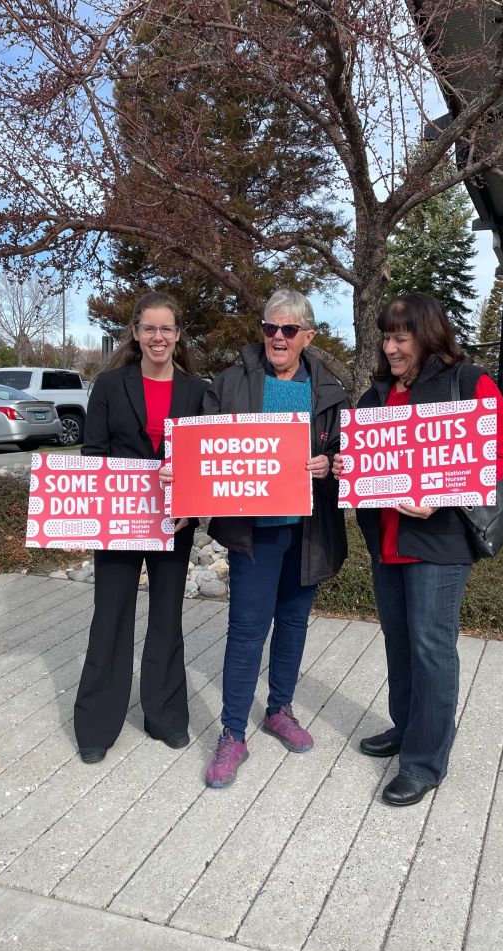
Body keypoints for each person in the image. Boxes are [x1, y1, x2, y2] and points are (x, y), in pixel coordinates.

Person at [333, 292, 503, 806]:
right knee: (399, 641)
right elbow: (361, 459)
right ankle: (406, 727)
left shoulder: (467, 382)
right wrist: (350, 469)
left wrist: (442, 495)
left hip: (438, 544)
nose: (390, 347)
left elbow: (498, 457)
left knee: (431, 648)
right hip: (387, 542)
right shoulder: (376, 395)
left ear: (427, 334)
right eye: (386, 337)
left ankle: (424, 762)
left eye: (401, 337)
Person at [200, 289, 349, 788]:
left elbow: (348, 453)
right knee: (246, 631)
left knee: (293, 624)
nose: (278, 338)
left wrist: (329, 465)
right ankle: (231, 734)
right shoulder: (231, 383)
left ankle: (279, 709)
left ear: (308, 335)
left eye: (288, 330)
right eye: (270, 328)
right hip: (255, 532)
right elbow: (203, 448)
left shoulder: (328, 388)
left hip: (307, 530)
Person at [73, 291, 207, 763]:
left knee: (167, 619)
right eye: (149, 328)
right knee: (110, 618)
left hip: (174, 520)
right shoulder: (109, 385)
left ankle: (165, 716)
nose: (157, 337)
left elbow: (204, 458)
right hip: (119, 518)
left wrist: (190, 494)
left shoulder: (196, 390)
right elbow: (93, 454)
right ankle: (96, 725)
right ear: (135, 333)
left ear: (177, 335)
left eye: (166, 328)